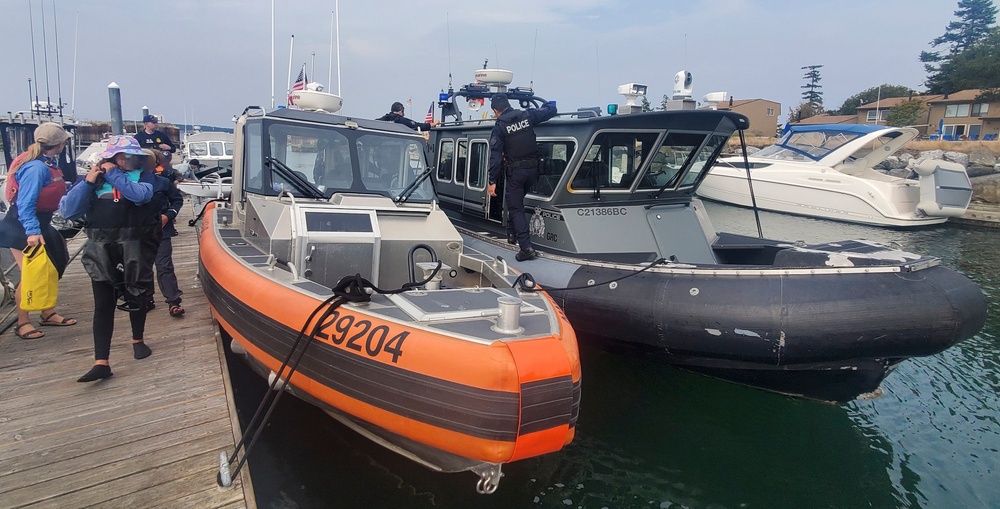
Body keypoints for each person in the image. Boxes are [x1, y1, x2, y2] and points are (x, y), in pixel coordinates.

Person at [59, 135, 162, 382]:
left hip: (135, 247)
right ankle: (101, 361)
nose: (132, 160)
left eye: (135, 156)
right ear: (113, 157)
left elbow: (140, 196)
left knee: (137, 294)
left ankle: (138, 340)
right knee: (102, 303)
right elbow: (68, 211)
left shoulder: (145, 176)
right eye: (126, 156)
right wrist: (88, 181)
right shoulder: (94, 181)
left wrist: (115, 175)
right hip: (102, 248)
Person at [0, 122, 77, 339]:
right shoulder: (36, 168)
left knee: (52, 268)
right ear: (60, 144)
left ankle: (47, 312)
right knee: (30, 276)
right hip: (22, 227)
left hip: (41, 224)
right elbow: (25, 204)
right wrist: (32, 232)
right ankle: (22, 322)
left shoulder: (45, 162)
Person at [487, 94, 557, 261]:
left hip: (516, 173)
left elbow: (495, 157)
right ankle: (511, 235)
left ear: (496, 111)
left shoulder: (500, 126)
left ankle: (525, 248)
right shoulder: (526, 115)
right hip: (533, 172)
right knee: (514, 202)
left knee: (515, 207)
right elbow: (550, 110)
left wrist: (492, 181)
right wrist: (549, 103)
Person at [142, 149, 185, 317]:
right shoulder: (129, 183)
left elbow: (177, 200)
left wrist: (168, 215)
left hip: (162, 231)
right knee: (141, 267)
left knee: (164, 266)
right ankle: (146, 299)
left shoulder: (162, 183)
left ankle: (173, 301)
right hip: (138, 232)